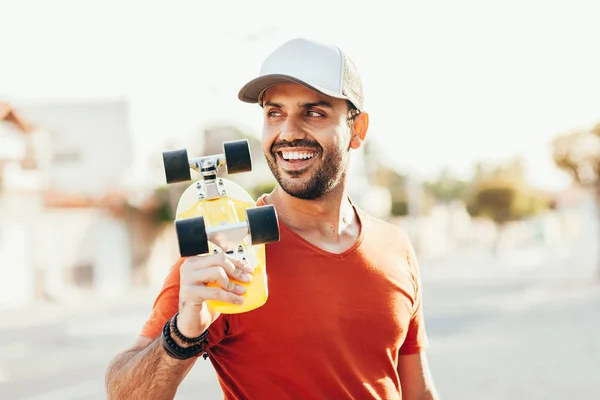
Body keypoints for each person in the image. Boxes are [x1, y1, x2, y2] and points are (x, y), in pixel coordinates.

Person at [105, 37, 439, 400]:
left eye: (314, 112)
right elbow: (125, 395)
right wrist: (183, 333)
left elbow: (418, 392)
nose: (289, 132)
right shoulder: (229, 250)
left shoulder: (395, 246)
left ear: (357, 130)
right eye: (274, 113)